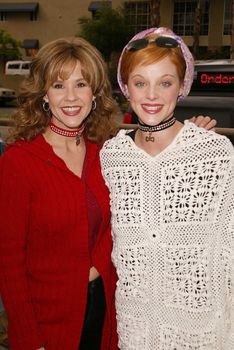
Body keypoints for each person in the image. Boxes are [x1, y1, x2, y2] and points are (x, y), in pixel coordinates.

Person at [100, 27, 234, 349]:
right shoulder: (113, 156)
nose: (151, 95)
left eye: (165, 82)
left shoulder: (214, 154)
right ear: (126, 88)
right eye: (140, 82)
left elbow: (227, 251)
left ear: (182, 86)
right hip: (136, 326)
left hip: (199, 328)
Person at [0, 37, 119, 350]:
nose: (71, 97)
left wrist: (191, 133)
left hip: (106, 311)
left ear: (95, 93)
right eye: (58, 85)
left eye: (81, 84)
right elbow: (9, 260)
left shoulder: (107, 152)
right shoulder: (20, 161)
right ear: (43, 94)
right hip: (48, 319)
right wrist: (28, 338)